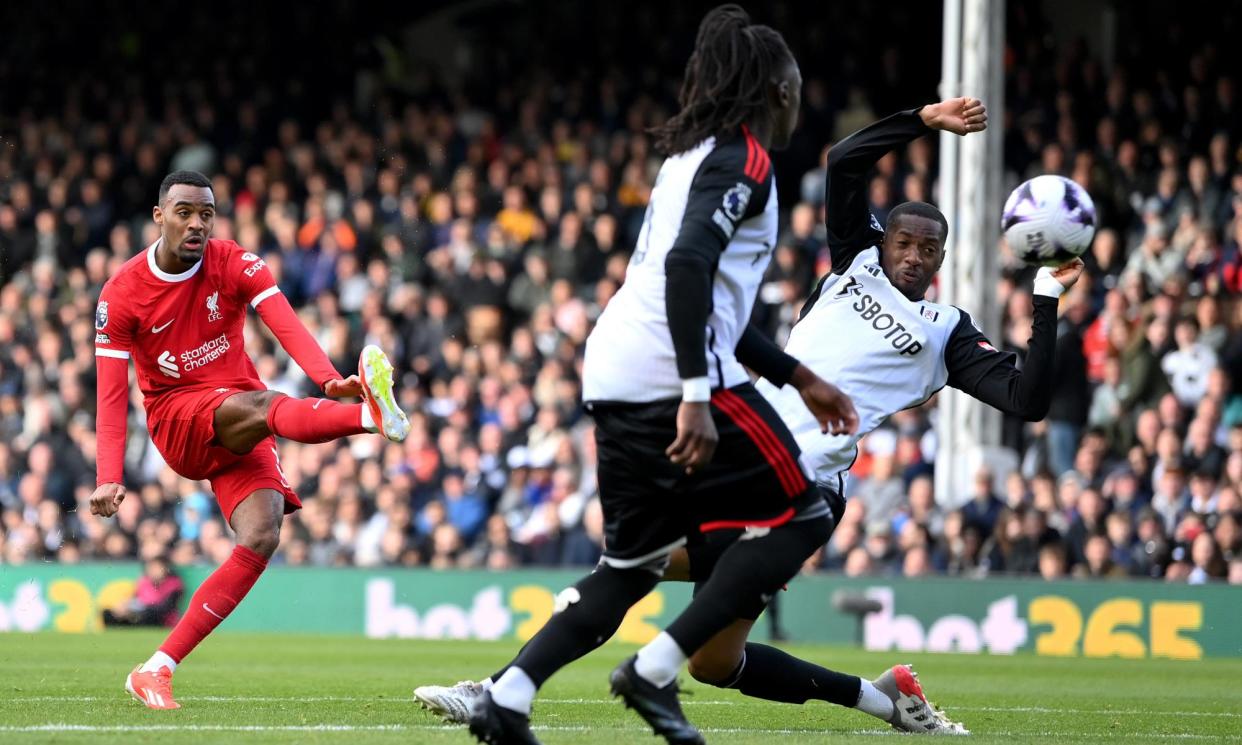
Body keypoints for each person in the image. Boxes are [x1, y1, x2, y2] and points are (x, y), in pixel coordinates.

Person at [462, 7, 858, 744]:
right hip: (666, 370)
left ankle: (508, 696)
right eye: (797, 85)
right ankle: (655, 665)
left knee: (630, 563)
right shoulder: (747, 159)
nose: (801, 99)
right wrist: (696, 394)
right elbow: (686, 269)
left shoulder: (689, 155)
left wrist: (799, 376)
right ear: (776, 89)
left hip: (613, 364)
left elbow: (711, 298)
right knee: (805, 514)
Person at [91, 170, 410, 710]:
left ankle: (155, 669)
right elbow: (109, 393)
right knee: (265, 406)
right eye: (185, 212)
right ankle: (369, 420)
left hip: (239, 410)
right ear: (160, 216)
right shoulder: (121, 293)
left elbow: (285, 322)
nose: (197, 223)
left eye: (207, 214)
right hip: (179, 420)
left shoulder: (233, 261)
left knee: (261, 536)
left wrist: (327, 376)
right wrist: (108, 475)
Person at [102, 556, 184, 628]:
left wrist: (140, 608)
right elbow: (135, 598)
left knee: (149, 615)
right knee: (107, 613)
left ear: (165, 569)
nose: (153, 571)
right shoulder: (144, 582)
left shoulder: (174, 584)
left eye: (157, 568)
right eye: (151, 568)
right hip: (139, 614)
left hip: (160, 619)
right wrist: (126, 606)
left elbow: (165, 608)